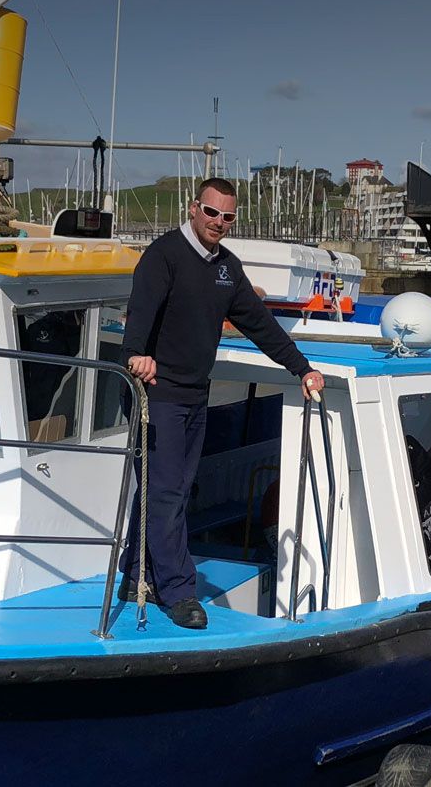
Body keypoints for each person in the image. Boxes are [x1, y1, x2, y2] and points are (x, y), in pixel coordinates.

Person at [120, 177, 325, 629]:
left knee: (170, 489)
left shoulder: (227, 268)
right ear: (194, 208)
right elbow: (140, 314)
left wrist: (301, 367)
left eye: (227, 216)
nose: (218, 222)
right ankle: (178, 591)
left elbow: (260, 325)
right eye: (211, 212)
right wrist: (136, 354)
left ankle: (136, 572)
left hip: (195, 394)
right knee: (168, 491)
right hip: (156, 394)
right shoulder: (163, 255)